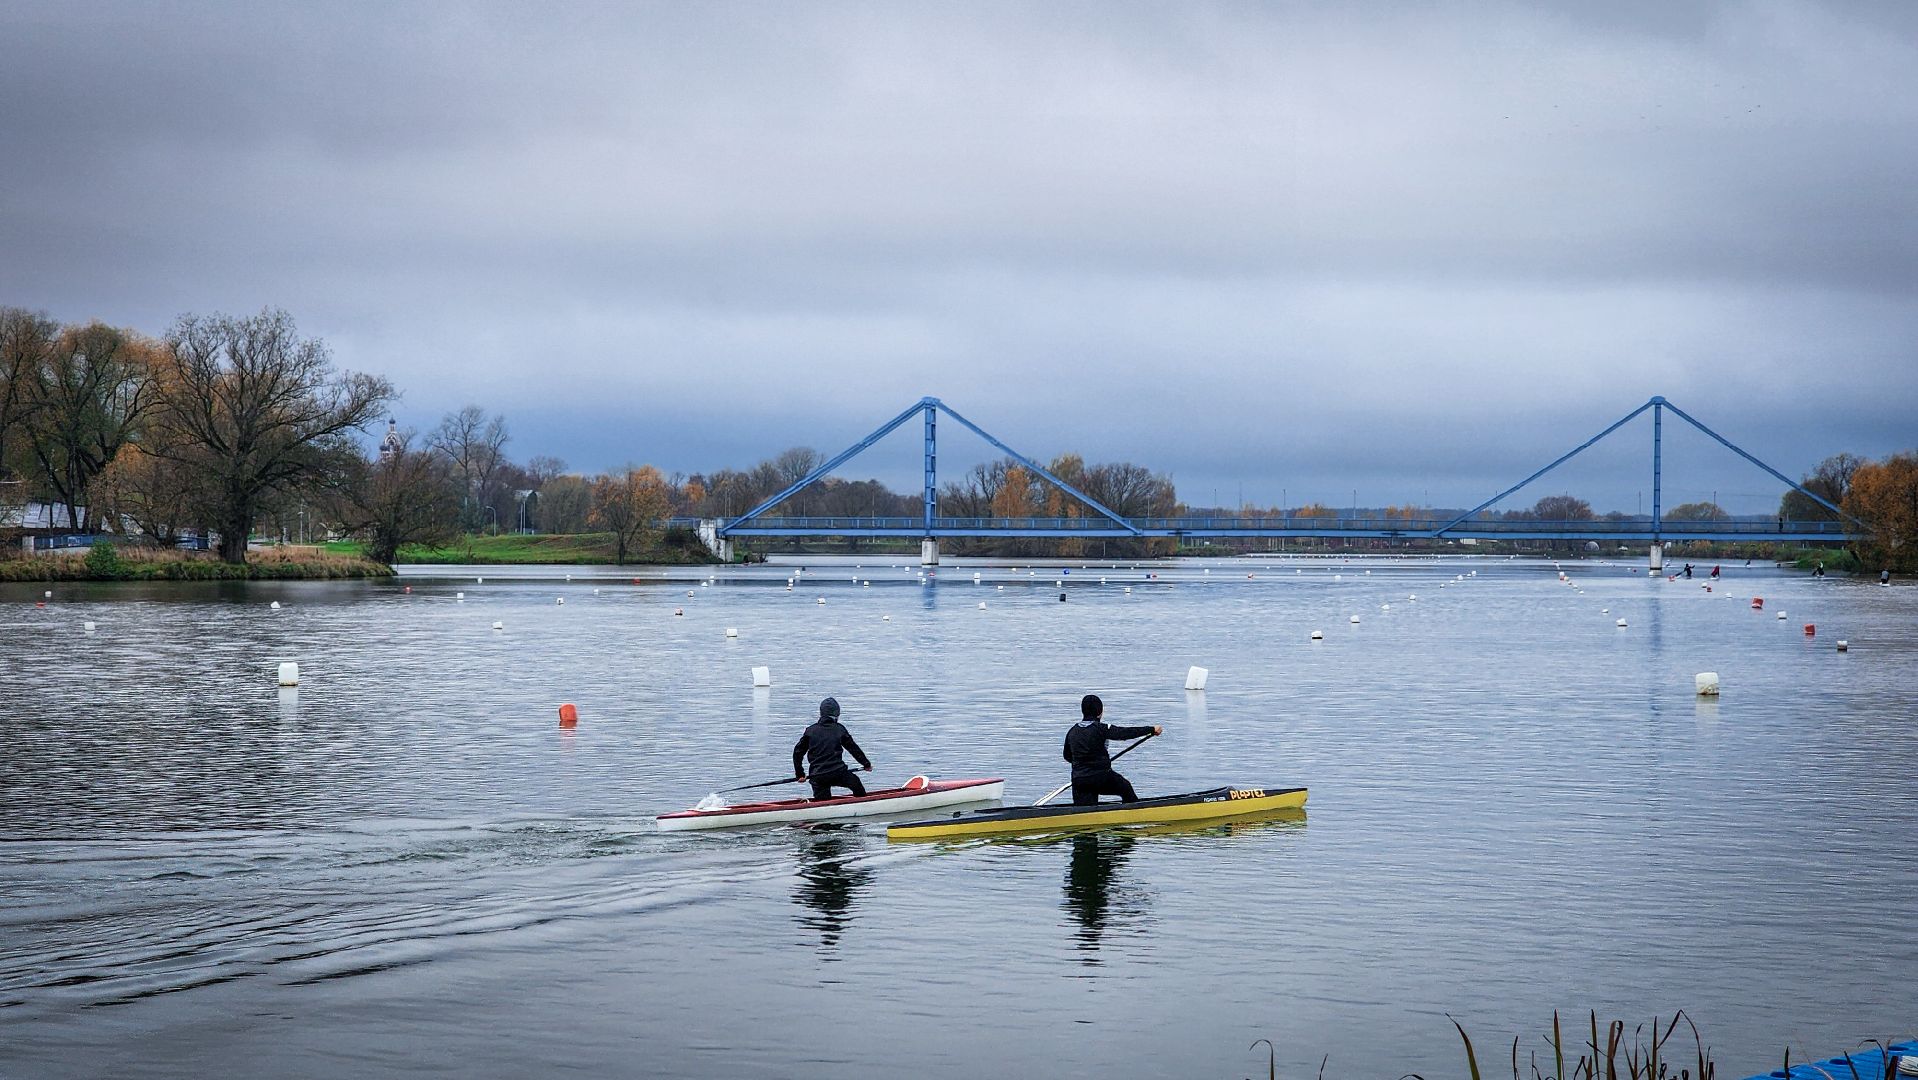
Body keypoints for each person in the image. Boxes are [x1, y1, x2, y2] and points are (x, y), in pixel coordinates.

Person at [1063, 694, 1161, 806]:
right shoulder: (1101, 729)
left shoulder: (1072, 732)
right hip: (1100, 777)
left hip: (1079, 781)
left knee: (1085, 810)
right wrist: (1151, 729)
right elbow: (1124, 733)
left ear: (1083, 711)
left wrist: (1085, 764)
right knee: (1125, 787)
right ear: (1100, 712)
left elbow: (1067, 756)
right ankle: (1135, 815)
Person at [793, 697, 872, 800]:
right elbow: (853, 749)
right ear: (837, 714)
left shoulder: (810, 731)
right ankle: (863, 805)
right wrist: (866, 764)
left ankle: (821, 809)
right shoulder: (840, 729)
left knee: (822, 802)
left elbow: (797, 753)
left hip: (817, 776)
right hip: (838, 772)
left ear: (821, 713)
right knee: (856, 784)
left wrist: (800, 774)